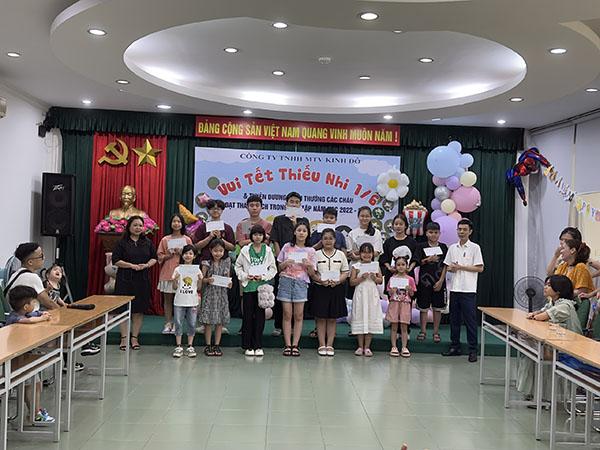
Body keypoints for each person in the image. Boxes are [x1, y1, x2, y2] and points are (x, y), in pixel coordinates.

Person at [517, 275, 582, 401]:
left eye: (549, 285)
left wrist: (535, 315)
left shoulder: (565, 305)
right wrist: (535, 314)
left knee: (536, 353)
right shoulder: (552, 303)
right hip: (558, 343)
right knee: (530, 352)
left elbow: (540, 316)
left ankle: (544, 395)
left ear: (558, 290)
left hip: (569, 348)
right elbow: (538, 313)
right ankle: (535, 393)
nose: (545, 287)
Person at [6, 286, 55, 424]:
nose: (35, 305)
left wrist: (42, 314)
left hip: (23, 356)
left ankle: (35, 412)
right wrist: (42, 318)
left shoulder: (27, 313)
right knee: (32, 384)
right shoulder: (14, 318)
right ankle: (35, 414)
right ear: (26, 306)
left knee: (36, 383)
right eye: (33, 302)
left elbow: (35, 315)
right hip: (15, 359)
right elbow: (29, 321)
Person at [112, 215, 158, 351]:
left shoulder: (147, 242)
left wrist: (147, 265)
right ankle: (124, 338)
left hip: (142, 280)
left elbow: (154, 258)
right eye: (135, 225)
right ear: (129, 227)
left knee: (138, 310)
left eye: (140, 225)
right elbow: (115, 260)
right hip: (124, 280)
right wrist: (131, 265)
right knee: (123, 310)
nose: (138, 228)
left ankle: (134, 338)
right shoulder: (122, 243)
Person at [442, 218, 484, 363]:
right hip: (455, 288)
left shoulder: (475, 248)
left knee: (470, 321)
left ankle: (473, 350)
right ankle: (455, 347)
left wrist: (461, 267)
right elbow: (447, 266)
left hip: (468, 290)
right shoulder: (452, 248)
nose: (461, 232)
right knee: (454, 320)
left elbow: (480, 268)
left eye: (464, 229)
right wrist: (452, 268)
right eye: (459, 229)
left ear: (470, 231)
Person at [269, 191, 309, 337]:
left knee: (297, 298)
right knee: (282, 295)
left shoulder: (303, 220)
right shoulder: (279, 219)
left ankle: (293, 327)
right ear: (286, 203)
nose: (294, 204)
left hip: (300, 267)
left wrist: (295, 223)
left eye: (297, 202)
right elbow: (275, 240)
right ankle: (279, 325)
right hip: (284, 263)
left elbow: (306, 241)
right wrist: (280, 258)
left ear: (300, 205)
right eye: (291, 201)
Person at [235, 225, 277, 356]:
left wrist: (263, 277)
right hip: (248, 287)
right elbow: (238, 266)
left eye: (260, 234)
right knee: (248, 317)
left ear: (263, 236)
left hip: (262, 289)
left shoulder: (268, 250)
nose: (257, 237)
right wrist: (245, 276)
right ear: (251, 236)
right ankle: (248, 346)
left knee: (260, 318)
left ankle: (258, 345)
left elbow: (273, 269)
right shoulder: (245, 250)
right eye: (255, 234)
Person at [277, 222, 317, 356]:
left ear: (308, 234)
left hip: (301, 283)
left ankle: (295, 345)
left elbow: (312, 274)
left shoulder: (311, 251)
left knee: (299, 315)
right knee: (287, 314)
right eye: (299, 230)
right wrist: (285, 263)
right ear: (294, 232)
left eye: (304, 231)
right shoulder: (287, 246)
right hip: (286, 281)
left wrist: (309, 265)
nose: (301, 233)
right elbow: (279, 267)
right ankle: (287, 344)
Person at [310, 228, 349, 356]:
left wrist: (338, 281)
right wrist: (320, 280)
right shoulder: (316, 254)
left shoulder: (340, 254)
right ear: (321, 240)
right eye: (325, 238)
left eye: (330, 238)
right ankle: (322, 344)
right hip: (320, 288)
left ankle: (330, 345)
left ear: (335, 240)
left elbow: (345, 272)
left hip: (336, 288)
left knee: (332, 319)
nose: (328, 241)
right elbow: (313, 272)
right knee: (320, 318)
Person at [157, 214, 192, 334]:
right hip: (168, 271)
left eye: (179, 221)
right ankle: (168, 323)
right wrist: (169, 255)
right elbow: (159, 256)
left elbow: (192, 255)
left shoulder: (187, 240)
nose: (176, 224)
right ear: (170, 224)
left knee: (180, 300)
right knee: (168, 299)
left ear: (182, 224)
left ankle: (178, 324)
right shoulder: (165, 239)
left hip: (183, 273)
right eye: (174, 221)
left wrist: (182, 252)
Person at [414, 222, 448, 343]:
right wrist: (428, 259)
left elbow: (446, 265)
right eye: (431, 232)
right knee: (423, 308)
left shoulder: (443, 247)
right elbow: (417, 261)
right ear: (426, 233)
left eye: (436, 232)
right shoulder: (421, 246)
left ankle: (436, 332)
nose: (433, 235)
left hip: (439, 282)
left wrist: (441, 281)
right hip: (424, 282)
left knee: (437, 308)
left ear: (439, 233)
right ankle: (423, 331)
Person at [350, 242, 383, 356]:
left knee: (370, 316)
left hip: (372, 294)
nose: (366, 255)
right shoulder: (356, 266)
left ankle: (367, 347)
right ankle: (360, 346)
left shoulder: (376, 265)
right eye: (364, 252)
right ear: (360, 254)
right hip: (360, 294)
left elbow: (380, 280)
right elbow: (351, 282)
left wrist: (374, 278)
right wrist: (361, 278)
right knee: (360, 316)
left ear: (373, 254)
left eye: (369, 253)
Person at [200, 239, 232, 356]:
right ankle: (208, 345)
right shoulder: (206, 263)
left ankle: (217, 345)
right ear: (210, 250)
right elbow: (201, 279)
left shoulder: (226, 262)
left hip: (222, 295)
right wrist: (207, 280)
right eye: (215, 251)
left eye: (220, 251)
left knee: (220, 321)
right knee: (208, 321)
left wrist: (229, 283)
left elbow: (228, 279)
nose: (218, 253)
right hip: (210, 294)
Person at [4, 243, 59, 310]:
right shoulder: (32, 277)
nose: (44, 258)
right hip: (28, 315)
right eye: (41, 256)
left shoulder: (16, 274)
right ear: (30, 262)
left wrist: (46, 290)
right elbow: (50, 304)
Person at [171, 244, 202, 358]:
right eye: (186, 253)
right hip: (179, 301)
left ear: (194, 256)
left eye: (190, 253)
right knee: (178, 323)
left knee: (192, 323)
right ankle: (178, 346)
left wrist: (200, 280)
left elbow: (199, 287)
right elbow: (174, 287)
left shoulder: (197, 269)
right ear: (182, 255)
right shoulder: (178, 269)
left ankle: (190, 346)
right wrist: (175, 280)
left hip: (192, 301)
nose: (188, 256)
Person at [386, 255, 417, 358]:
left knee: (404, 326)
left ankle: (404, 347)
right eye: (398, 265)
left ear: (407, 266)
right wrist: (392, 291)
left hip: (405, 304)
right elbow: (389, 293)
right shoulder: (392, 278)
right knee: (394, 326)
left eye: (403, 264)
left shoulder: (410, 279)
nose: (401, 267)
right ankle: (394, 346)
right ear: (395, 266)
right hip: (394, 303)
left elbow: (412, 294)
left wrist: (410, 290)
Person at [380, 214, 417, 282]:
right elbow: (383, 257)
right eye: (396, 224)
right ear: (393, 226)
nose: (398, 226)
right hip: (391, 275)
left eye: (401, 224)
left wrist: (409, 269)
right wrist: (389, 268)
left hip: (408, 275)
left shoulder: (412, 242)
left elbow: (416, 258)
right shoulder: (388, 242)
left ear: (405, 226)